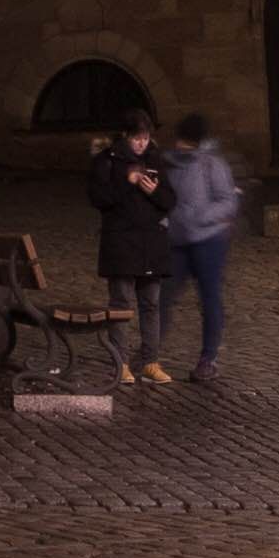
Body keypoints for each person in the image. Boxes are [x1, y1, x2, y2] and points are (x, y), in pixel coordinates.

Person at [87, 113, 185, 383]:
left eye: (145, 138)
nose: (142, 143)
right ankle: (121, 364)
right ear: (126, 136)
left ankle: (150, 362)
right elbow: (99, 198)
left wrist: (154, 191)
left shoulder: (156, 159)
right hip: (121, 243)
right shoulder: (107, 161)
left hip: (151, 244)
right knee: (121, 304)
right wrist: (127, 184)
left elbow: (169, 201)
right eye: (137, 138)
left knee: (151, 304)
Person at [156, 112, 243, 377]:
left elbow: (228, 201)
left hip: (209, 241)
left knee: (209, 299)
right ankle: (150, 352)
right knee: (163, 297)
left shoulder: (212, 165)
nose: (181, 145)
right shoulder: (168, 164)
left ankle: (208, 358)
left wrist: (199, 217)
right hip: (177, 242)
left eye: (186, 140)